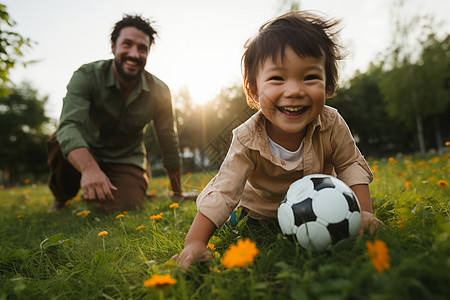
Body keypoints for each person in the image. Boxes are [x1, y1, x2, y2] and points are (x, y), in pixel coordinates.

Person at [172, 11, 379, 268]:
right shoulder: (247, 139)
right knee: (240, 221)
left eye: (310, 77)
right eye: (277, 78)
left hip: (324, 206)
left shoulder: (331, 123)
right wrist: (195, 242)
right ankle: (238, 218)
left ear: (327, 84)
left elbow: (349, 164)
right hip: (260, 213)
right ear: (254, 90)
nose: (294, 91)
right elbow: (224, 190)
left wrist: (364, 214)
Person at [47, 15, 194, 212]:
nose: (134, 54)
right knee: (59, 140)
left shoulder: (160, 91)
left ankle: (108, 192)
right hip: (85, 150)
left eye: (142, 48)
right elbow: (69, 126)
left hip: (125, 159)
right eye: (127, 44)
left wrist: (177, 194)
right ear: (113, 46)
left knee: (126, 207)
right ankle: (62, 197)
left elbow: (168, 140)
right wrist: (90, 168)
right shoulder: (86, 76)